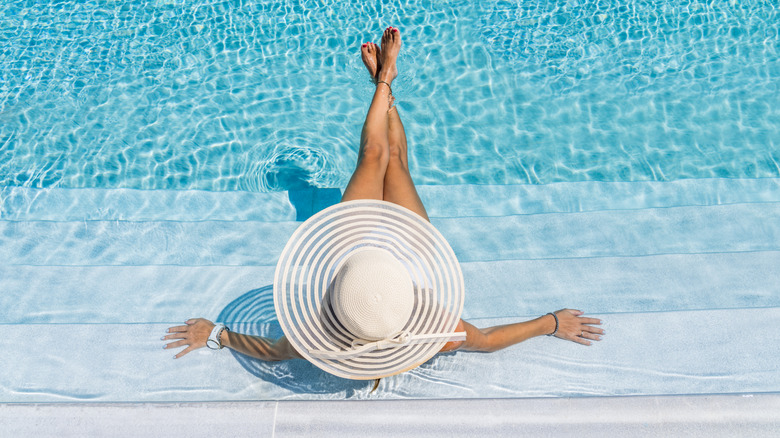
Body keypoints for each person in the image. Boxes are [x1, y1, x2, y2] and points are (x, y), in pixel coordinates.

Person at [163, 27, 603, 371]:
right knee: (396, 162)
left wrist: (216, 334)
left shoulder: (317, 339)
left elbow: (274, 352)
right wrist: (551, 323)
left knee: (372, 156)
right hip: (406, 259)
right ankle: (385, 83)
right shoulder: (436, 333)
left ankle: (381, 84)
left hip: (348, 253)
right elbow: (485, 341)